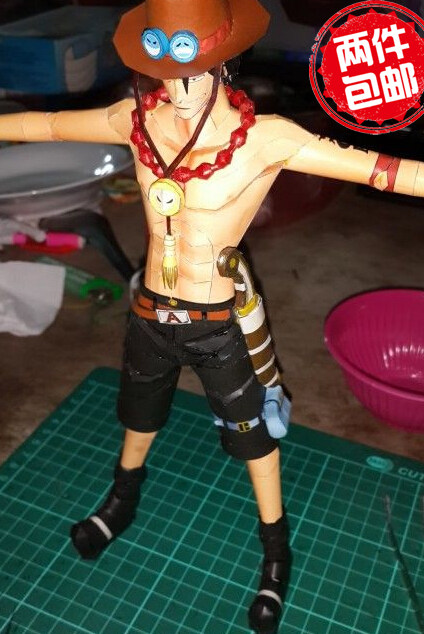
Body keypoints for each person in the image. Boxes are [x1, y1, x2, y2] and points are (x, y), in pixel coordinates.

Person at [1, 1, 424, 632]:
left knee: (256, 441)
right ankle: (121, 499)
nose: (177, 88)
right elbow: (51, 126)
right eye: (165, 71)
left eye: (192, 71)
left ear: (224, 61)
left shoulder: (266, 139)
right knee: (138, 415)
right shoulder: (136, 121)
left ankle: (275, 550)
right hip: (150, 314)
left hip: (219, 326)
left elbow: (380, 170)